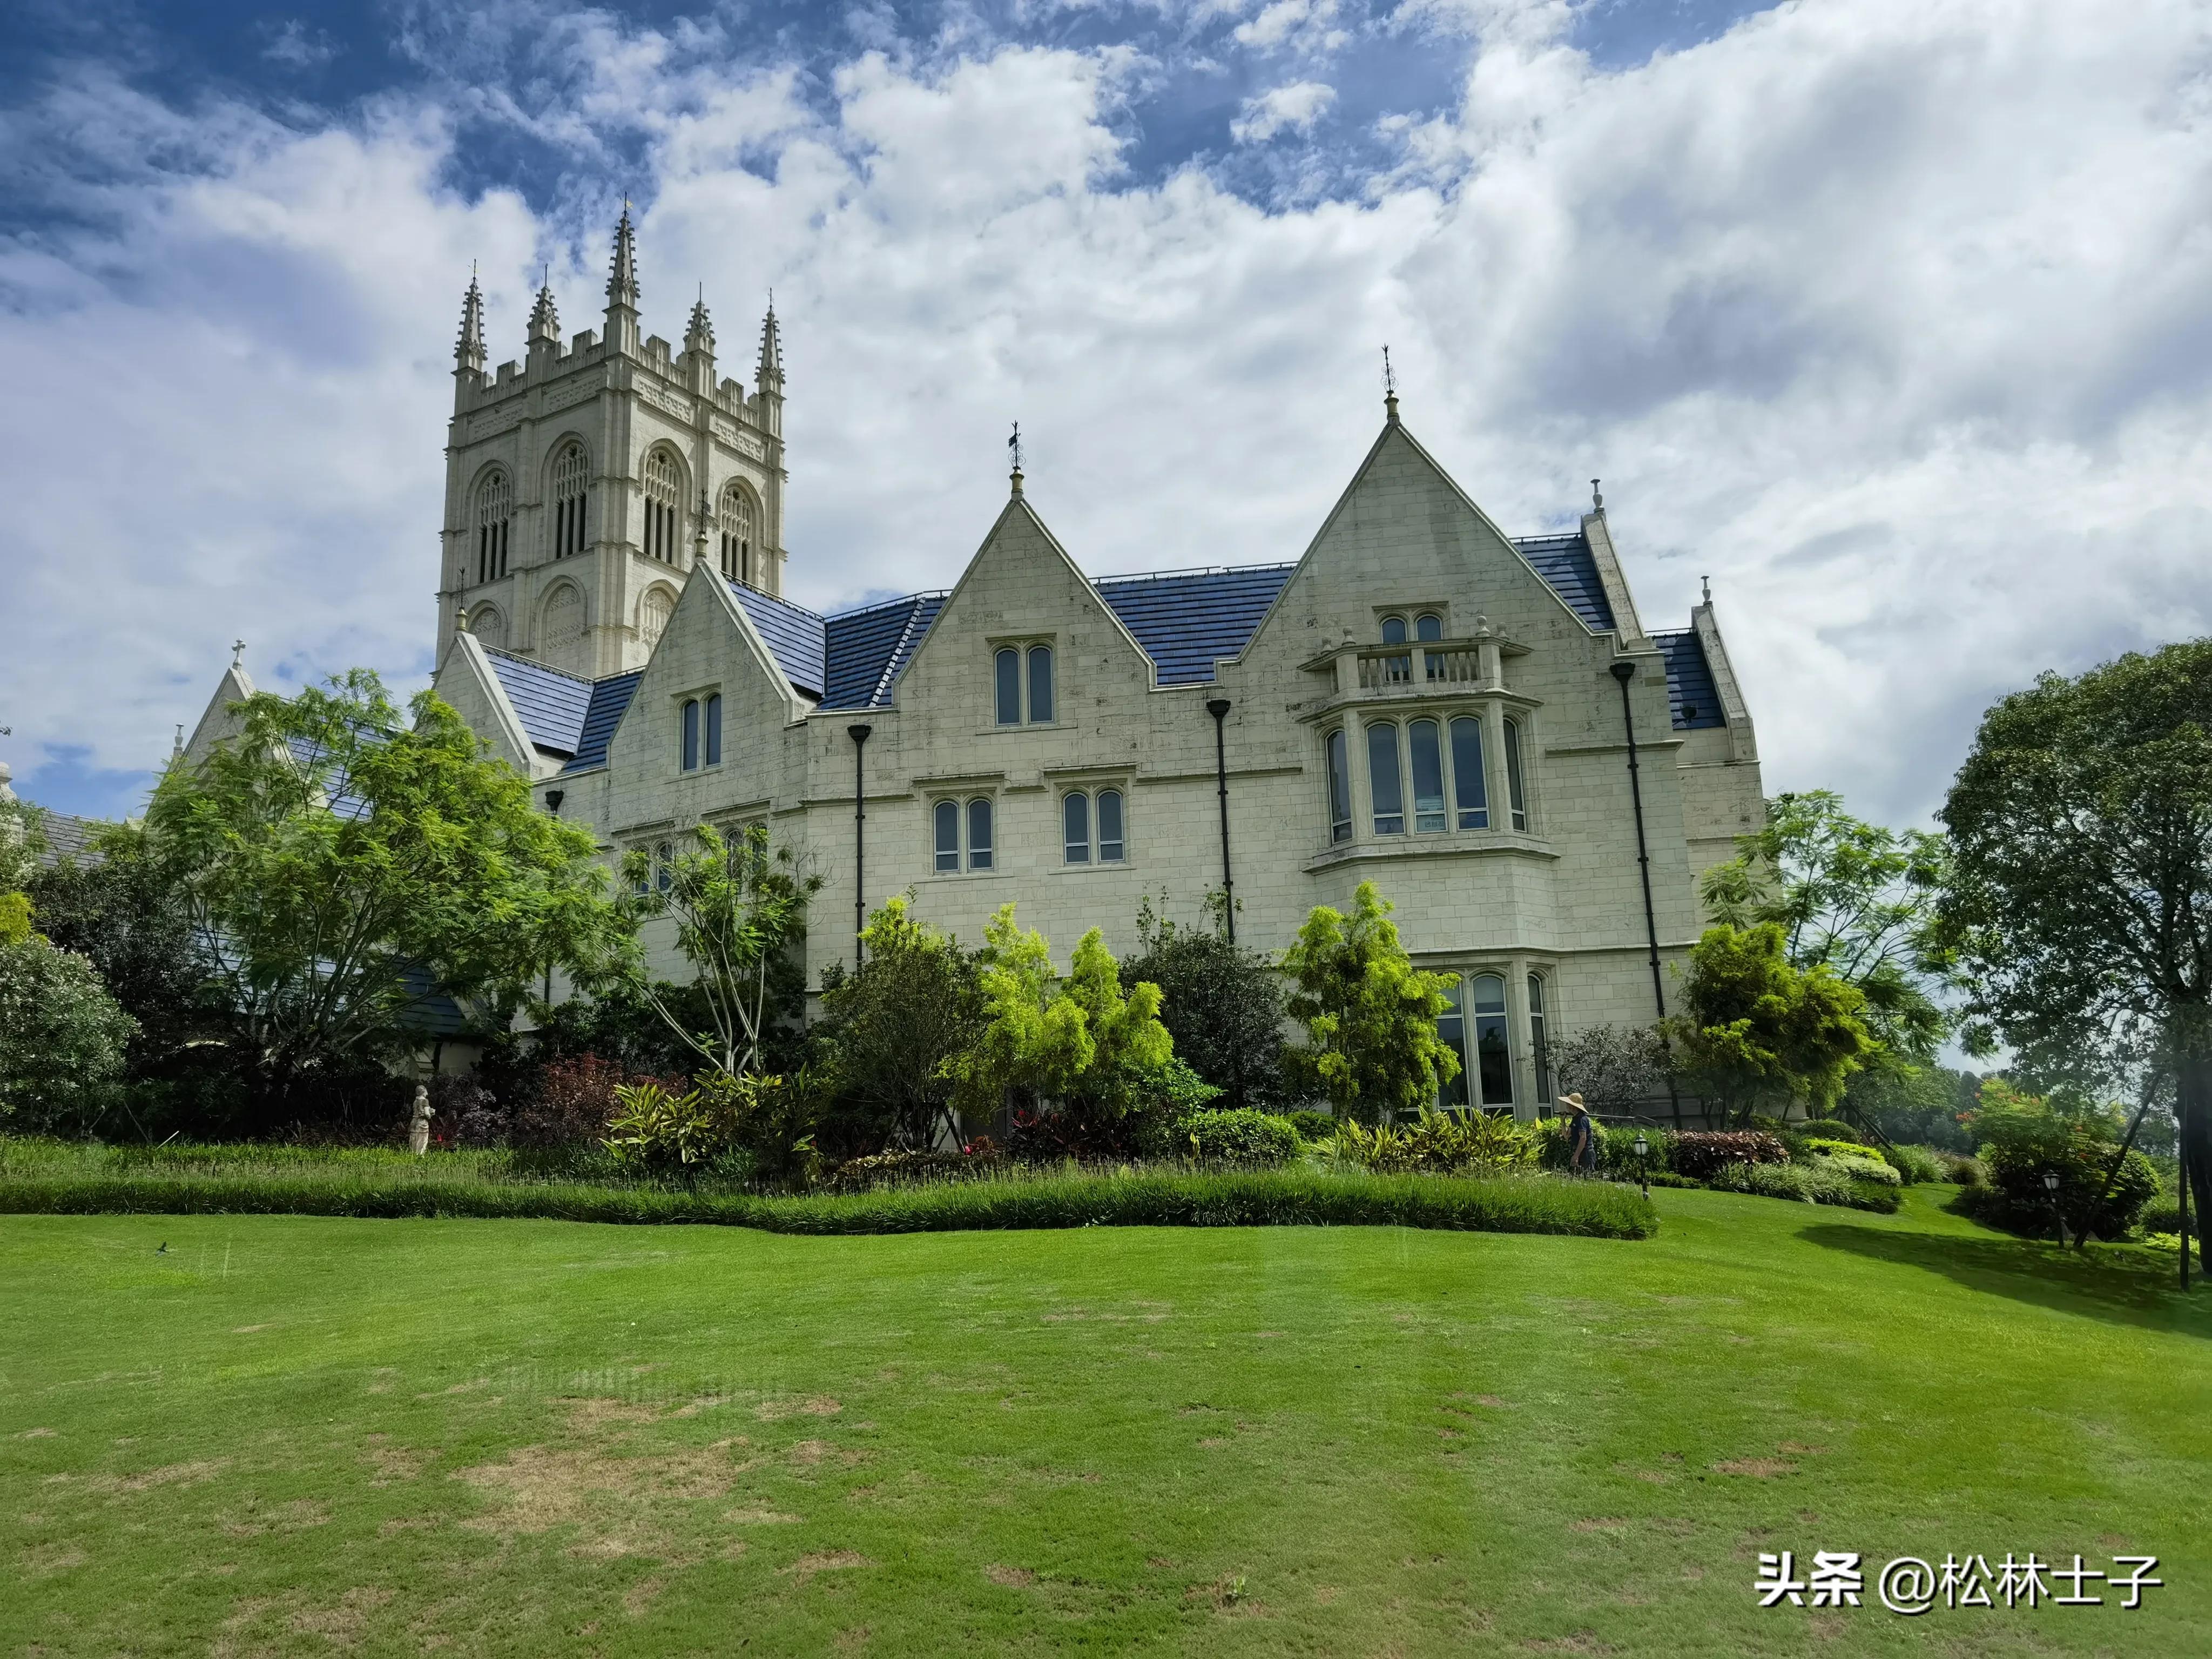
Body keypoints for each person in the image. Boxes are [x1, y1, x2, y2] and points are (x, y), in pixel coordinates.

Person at [1560, 1092, 1598, 1175]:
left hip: (1586, 1153)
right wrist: (1563, 1121)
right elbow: (1566, 1136)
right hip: (1579, 1151)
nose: (1567, 1107)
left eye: (1568, 1104)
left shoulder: (1582, 1119)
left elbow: (1583, 1138)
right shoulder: (1575, 1119)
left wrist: (1576, 1156)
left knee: (1587, 1178)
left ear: (1573, 1106)